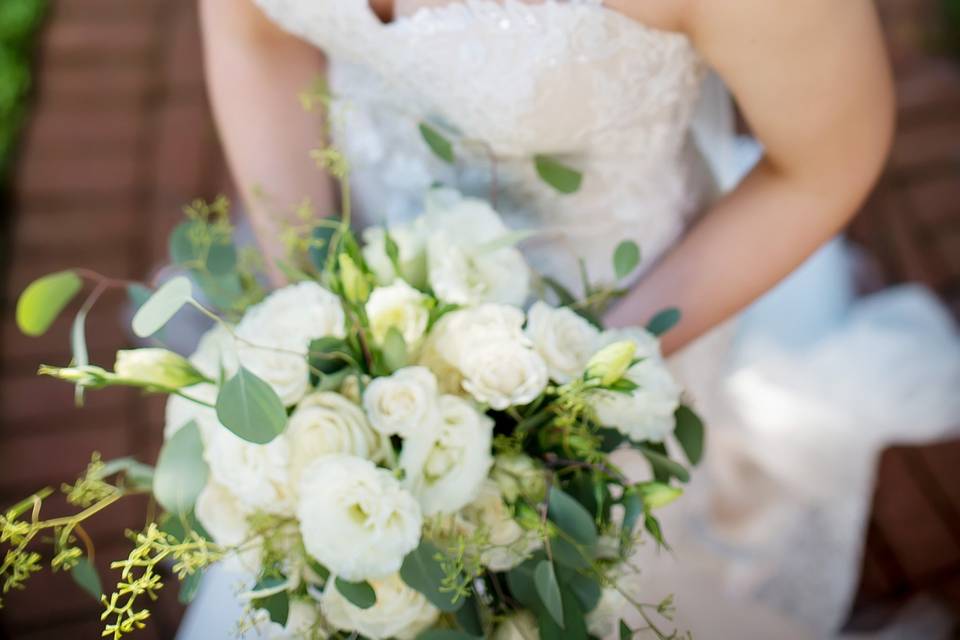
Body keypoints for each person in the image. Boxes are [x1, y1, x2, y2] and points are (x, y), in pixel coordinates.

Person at [179, 1, 960, 637]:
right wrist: (315, 317)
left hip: (623, 309)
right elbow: (254, 31)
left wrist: (583, 381)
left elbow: (824, 163)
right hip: (369, 270)